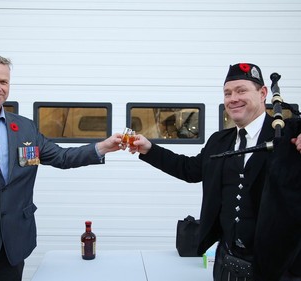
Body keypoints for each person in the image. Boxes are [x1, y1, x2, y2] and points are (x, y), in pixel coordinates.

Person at [0, 54, 122, 281]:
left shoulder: (25, 128)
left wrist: (103, 147)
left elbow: (62, 157)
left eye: (4, 82)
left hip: (12, 249)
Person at [129, 63, 301, 281]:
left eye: (241, 90)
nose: (233, 98)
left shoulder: (290, 136)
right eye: (227, 93)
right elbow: (189, 170)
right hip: (226, 265)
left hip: (279, 270)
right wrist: (149, 149)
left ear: (263, 93)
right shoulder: (219, 141)